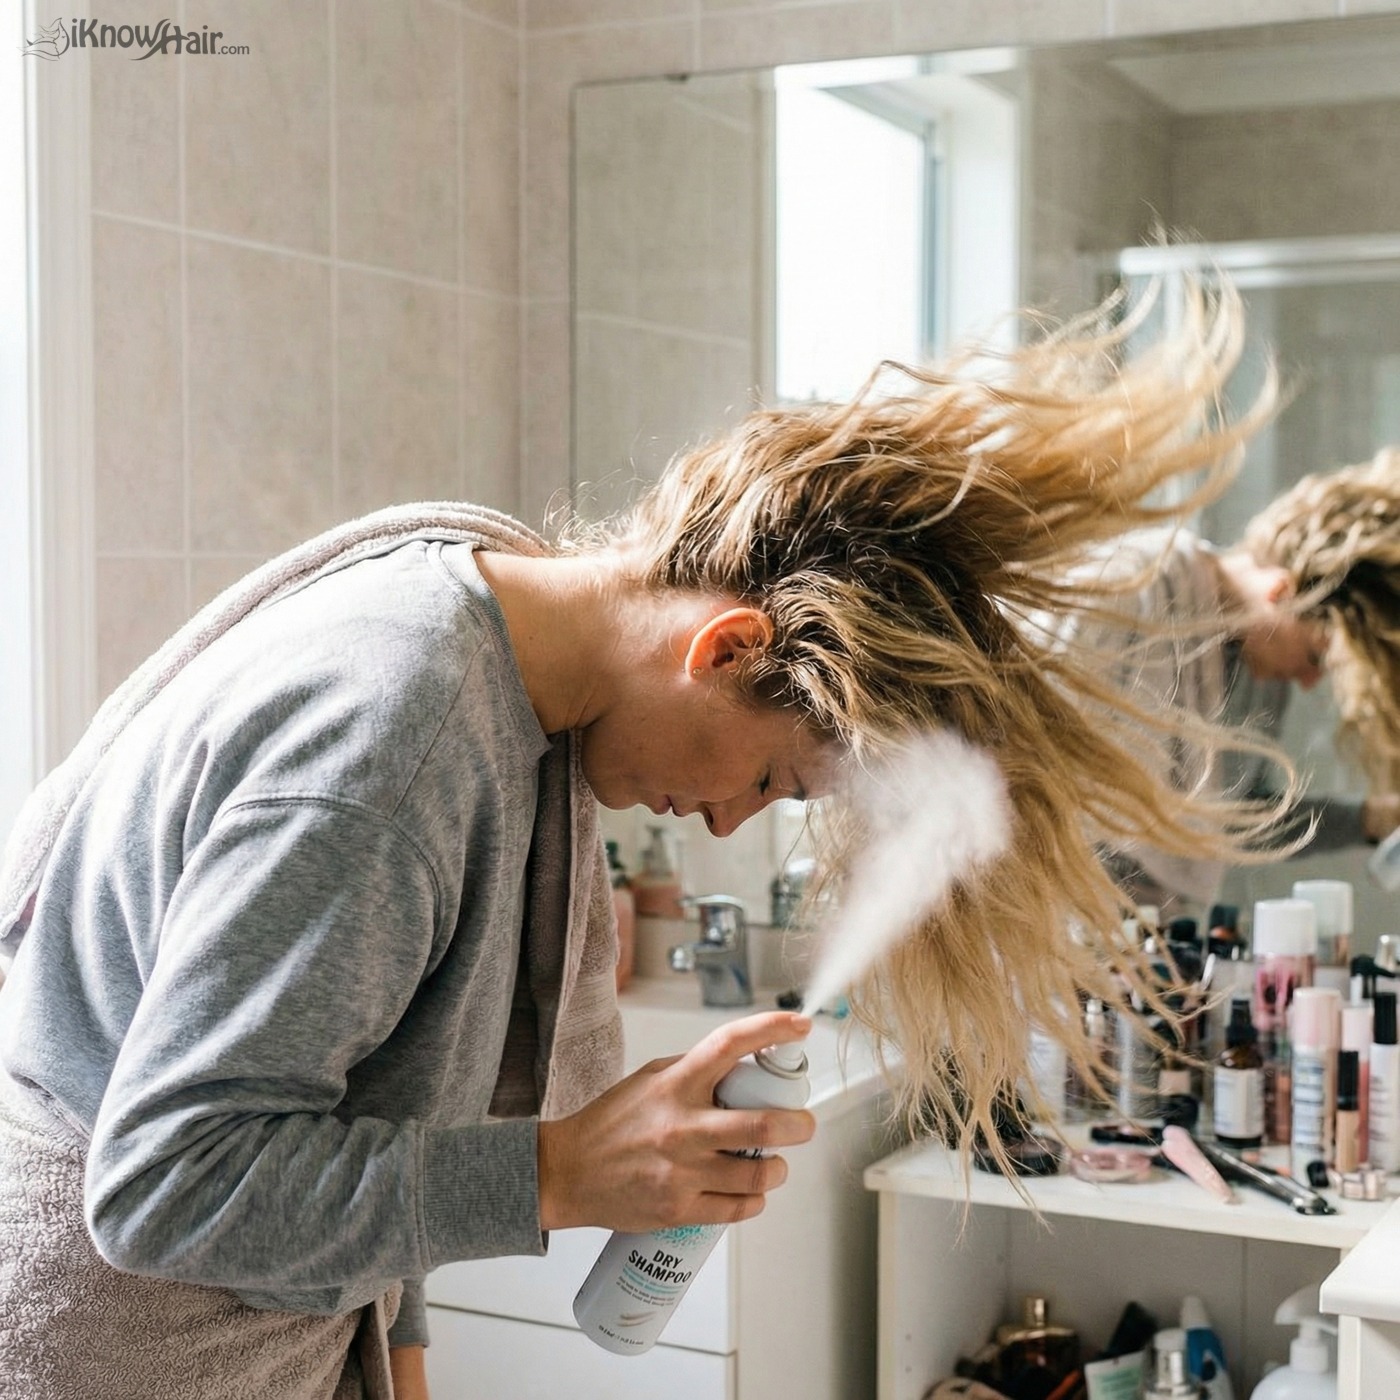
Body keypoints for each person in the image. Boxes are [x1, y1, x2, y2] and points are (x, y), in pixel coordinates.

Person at [0, 276, 1282, 1399]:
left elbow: (362, 1072)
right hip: (116, 1352)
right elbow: (167, 1187)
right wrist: (560, 1168)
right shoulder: (396, 740)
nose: (729, 818)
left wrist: (401, 1351)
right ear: (726, 645)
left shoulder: (506, 661)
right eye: (776, 780)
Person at [1039, 450, 1400, 915]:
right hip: (1050, 917)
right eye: (1315, 657)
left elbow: (1229, 821)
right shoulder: (1134, 587)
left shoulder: (1259, 677)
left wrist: (1368, 819)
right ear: (1281, 595)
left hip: (1139, 938)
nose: (1310, 682)